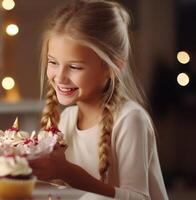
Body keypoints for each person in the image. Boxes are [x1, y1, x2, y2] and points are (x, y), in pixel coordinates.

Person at [31, 1, 169, 199]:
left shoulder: (130, 119)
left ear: (113, 67)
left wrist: (69, 173)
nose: (59, 77)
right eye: (53, 62)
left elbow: (140, 197)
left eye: (75, 67)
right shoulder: (68, 119)